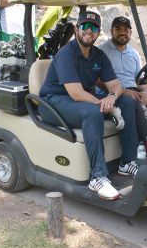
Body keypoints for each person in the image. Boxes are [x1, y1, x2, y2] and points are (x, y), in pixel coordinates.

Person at [38, 10, 139, 200]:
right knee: (92, 112)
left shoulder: (98, 55)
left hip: (81, 100)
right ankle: (98, 177)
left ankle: (127, 162)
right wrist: (108, 105)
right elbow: (76, 93)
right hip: (53, 102)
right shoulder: (66, 54)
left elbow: (116, 85)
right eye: (84, 26)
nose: (89, 31)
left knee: (125, 100)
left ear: (98, 32)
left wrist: (112, 97)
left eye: (94, 28)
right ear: (77, 29)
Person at [98, 16, 147, 145]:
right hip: (114, 95)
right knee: (133, 102)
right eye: (118, 29)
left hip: (134, 91)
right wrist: (123, 92)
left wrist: (146, 92)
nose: (122, 32)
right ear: (111, 31)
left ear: (130, 32)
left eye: (126, 29)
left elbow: (139, 80)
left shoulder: (134, 53)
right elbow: (97, 80)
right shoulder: (102, 51)